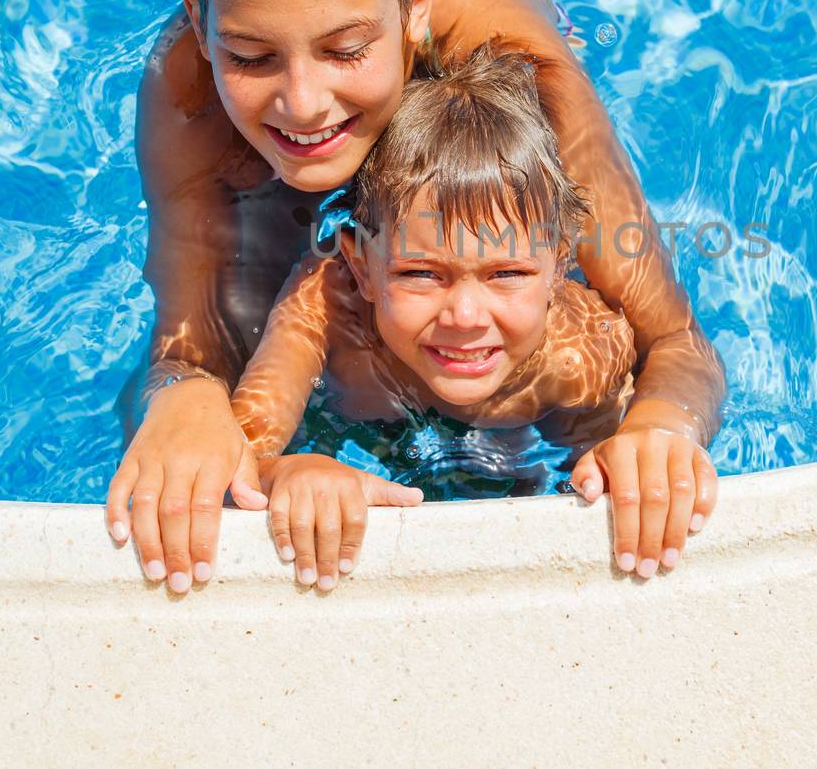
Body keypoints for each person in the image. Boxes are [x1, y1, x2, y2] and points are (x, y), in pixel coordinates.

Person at [104, 0, 725, 594]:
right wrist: (184, 396)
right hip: (292, 129)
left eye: (344, 49)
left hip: (468, 81)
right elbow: (180, 351)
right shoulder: (187, 98)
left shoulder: (525, 65)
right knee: (270, 327)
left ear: (417, 1)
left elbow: (674, 337)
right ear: (200, 22)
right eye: (252, 56)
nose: (302, 104)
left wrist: (659, 428)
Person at [235, 41, 667, 590]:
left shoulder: (579, 356)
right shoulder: (324, 306)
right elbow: (239, 455)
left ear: (560, 267)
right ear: (360, 266)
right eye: (420, 274)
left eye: (507, 274)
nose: (464, 316)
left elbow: (606, 469)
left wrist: (618, 460)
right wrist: (291, 471)